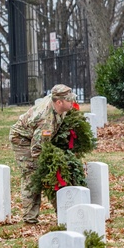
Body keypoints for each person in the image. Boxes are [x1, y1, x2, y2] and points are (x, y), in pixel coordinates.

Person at [9, 84, 76, 224]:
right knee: (32, 174)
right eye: (70, 100)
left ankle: (64, 211)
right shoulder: (45, 121)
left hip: (36, 138)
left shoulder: (59, 105)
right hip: (22, 140)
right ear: (59, 102)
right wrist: (48, 169)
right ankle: (30, 218)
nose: (73, 103)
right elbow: (37, 149)